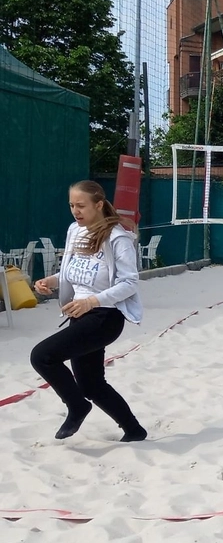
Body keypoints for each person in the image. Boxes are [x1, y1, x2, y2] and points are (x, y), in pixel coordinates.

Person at [30, 180, 147, 442]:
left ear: (99, 205)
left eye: (81, 205)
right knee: (91, 384)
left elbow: (129, 283)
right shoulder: (75, 231)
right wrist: (52, 280)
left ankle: (77, 406)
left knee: (42, 356)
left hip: (105, 316)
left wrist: (91, 302)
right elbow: (75, 272)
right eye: (72, 205)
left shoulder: (118, 238)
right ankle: (134, 430)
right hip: (80, 314)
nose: (75, 210)